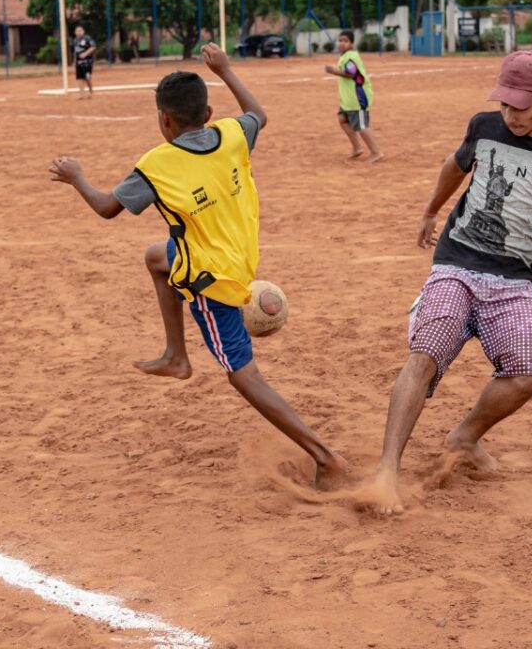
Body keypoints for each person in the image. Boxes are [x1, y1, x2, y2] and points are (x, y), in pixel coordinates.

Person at [49, 42, 348, 489]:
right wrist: (225, 70)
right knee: (156, 256)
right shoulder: (232, 134)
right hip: (239, 257)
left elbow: (107, 207)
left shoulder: (156, 164)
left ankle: (326, 458)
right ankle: (176, 355)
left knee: (243, 375)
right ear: (208, 113)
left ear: (163, 120)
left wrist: (77, 177)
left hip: (211, 281)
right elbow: (258, 114)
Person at [363, 50, 532, 515]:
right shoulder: (484, 126)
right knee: (425, 353)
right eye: (504, 104)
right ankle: (387, 471)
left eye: (521, 106)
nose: (510, 115)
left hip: (515, 277)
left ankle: (463, 436)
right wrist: (430, 211)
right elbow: (454, 166)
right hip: (456, 261)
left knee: (529, 372)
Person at [324, 30, 383, 162]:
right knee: (342, 119)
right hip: (349, 100)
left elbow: (352, 74)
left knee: (362, 126)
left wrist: (333, 71)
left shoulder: (351, 56)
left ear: (351, 43)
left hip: (358, 98)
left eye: (345, 41)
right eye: (340, 41)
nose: (342, 43)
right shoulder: (345, 55)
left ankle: (376, 152)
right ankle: (357, 148)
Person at [72, 25, 96, 97]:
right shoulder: (75, 40)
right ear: (75, 32)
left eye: (80, 31)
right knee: (79, 78)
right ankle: (81, 94)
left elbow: (93, 47)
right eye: (77, 31)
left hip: (87, 62)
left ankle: (91, 91)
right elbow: (75, 52)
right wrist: (75, 61)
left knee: (87, 78)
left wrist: (85, 54)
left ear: (83, 31)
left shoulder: (87, 38)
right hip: (79, 63)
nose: (78, 32)